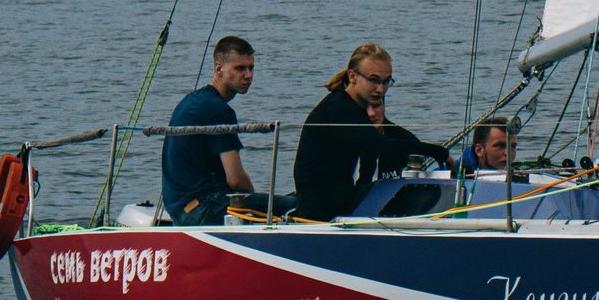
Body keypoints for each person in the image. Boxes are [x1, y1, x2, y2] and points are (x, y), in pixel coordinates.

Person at [162, 36, 289, 225]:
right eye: (240, 68)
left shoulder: (193, 100)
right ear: (218, 68)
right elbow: (236, 180)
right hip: (205, 208)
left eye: (251, 68)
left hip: (179, 209)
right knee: (296, 206)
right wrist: (256, 204)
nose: (248, 75)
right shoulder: (218, 111)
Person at [293, 42, 399, 222]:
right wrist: (439, 153)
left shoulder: (360, 104)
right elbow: (383, 145)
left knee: (389, 183)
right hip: (321, 205)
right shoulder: (340, 106)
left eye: (386, 82)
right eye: (374, 80)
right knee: (391, 188)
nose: (380, 89)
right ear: (352, 76)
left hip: (340, 194)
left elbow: (372, 158)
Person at [365, 93, 452, 181]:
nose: (371, 113)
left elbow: (412, 146)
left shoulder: (404, 137)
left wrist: (440, 153)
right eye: (365, 107)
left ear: (384, 106)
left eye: (376, 105)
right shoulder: (352, 135)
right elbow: (385, 144)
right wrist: (437, 151)